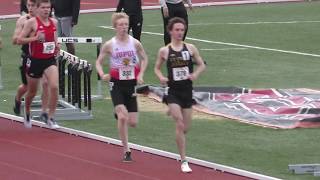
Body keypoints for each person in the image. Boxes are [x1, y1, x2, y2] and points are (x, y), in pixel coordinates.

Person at [154, 17, 205, 173]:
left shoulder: (190, 48)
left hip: (187, 92)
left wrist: (195, 74)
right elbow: (156, 68)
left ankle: (172, 110)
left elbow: (202, 64)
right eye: (177, 30)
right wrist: (161, 77)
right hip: (173, 92)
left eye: (182, 30)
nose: (179, 33)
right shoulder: (164, 51)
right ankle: (184, 160)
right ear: (170, 31)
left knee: (186, 128)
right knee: (180, 123)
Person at [96, 12, 148, 162]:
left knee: (133, 122)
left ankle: (118, 112)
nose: (124, 27)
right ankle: (127, 150)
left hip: (131, 83)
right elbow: (99, 62)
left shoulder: (135, 43)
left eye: (126, 24)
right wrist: (102, 74)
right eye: (121, 25)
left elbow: (144, 59)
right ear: (115, 27)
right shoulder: (110, 44)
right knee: (123, 116)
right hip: (116, 83)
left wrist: (141, 74)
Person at [18, 0, 60, 129]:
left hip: (49, 59)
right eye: (43, 7)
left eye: (48, 7)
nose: (46, 10)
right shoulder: (32, 23)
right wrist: (35, 38)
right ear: (37, 8)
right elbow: (19, 40)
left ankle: (51, 117)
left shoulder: (54, 22)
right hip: (35, 60)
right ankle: (27, 111)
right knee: (32, 92)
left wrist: (57, 45)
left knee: (54, 86)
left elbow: (54, 36)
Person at [12, 0, 49, 120]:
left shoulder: (45, 18)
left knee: (46, 83)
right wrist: (29, 34)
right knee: (27, 87)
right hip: (28, 57)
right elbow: (15, 40)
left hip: (44, 56)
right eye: (28, 5)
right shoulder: (23, 20)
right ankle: (18, 99)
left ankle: (45, 112)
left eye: (33, 5)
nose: (30, 8)